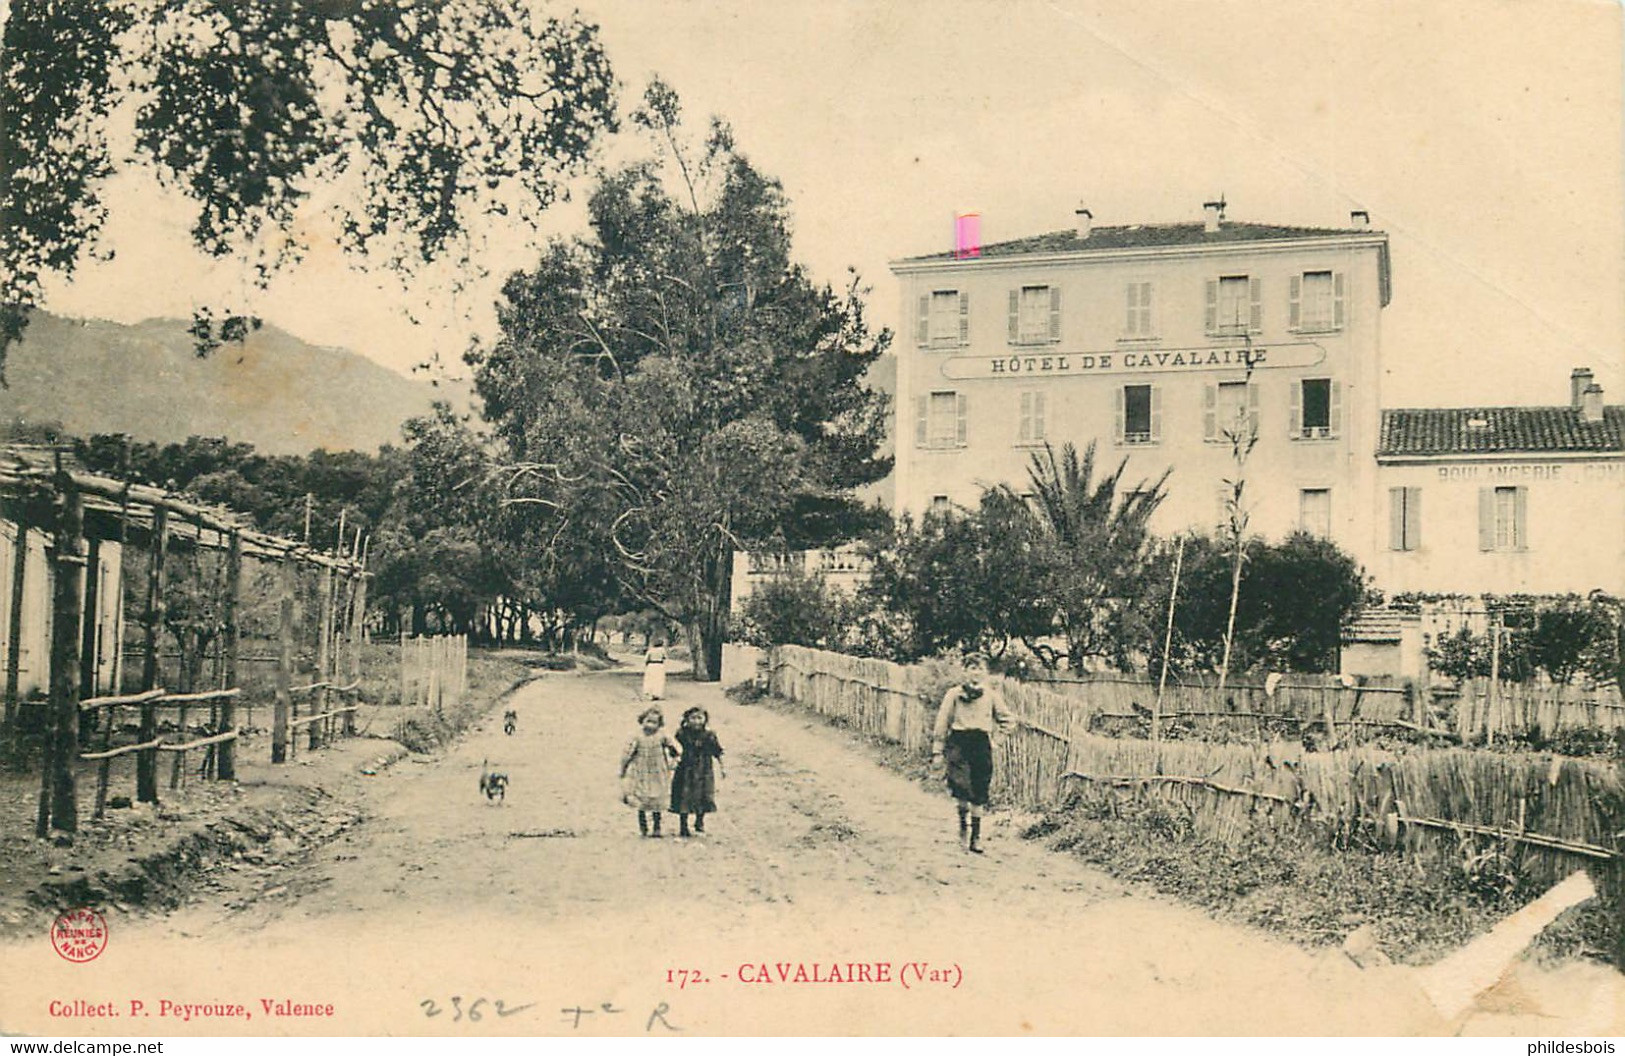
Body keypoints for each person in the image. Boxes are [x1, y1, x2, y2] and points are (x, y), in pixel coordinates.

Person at [930, 653, 1015, 853]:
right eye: (971, 668)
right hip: (959, 742)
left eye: (979, 668)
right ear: (965, 671)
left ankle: (976, 837)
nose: (975, 673)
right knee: (960, 785)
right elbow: (942, 720)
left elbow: (1008, 720)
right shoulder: (954, 694)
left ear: (985, 672)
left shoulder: (992, 695)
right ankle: (963, 830)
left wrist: (996, 741)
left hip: (980, 744)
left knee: (979, 789)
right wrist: (937, 750)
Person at [620, 706, 679, 837]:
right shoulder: (636, 736)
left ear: (660, 724)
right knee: (641, 798)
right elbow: (627, 754)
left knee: (657, 799)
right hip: (641, 771)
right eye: (648, 721)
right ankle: (643, 827)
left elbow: (675, 748)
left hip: (658, 771)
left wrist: (675, 760)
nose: (651, 725)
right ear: (642, 721)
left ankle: (657, 826)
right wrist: (623, 769)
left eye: (655, 722)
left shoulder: (662, 735)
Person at [670, 706, 725, 837]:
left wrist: (723, 767)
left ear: (705, 720)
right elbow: (674, 750)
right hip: (685, 770)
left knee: (703, 795)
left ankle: (699, 822)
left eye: (699, 718)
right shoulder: (681, 733)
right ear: (687, 719)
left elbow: (717, 751)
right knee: (683, 796)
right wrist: (674, 760)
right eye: (693, 718)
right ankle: (683, 825)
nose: (696, 721)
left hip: (703, 771)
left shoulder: (709, 735)